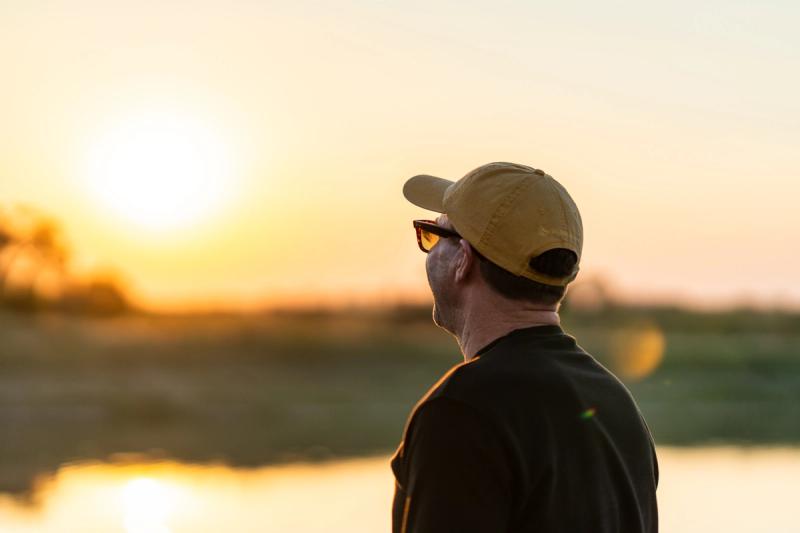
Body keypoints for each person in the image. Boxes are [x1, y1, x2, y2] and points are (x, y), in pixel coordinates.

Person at [391, 162, 658, 533]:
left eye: (432, 235)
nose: (428, 251)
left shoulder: (460, 411)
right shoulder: (616, 404)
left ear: (463, 260)